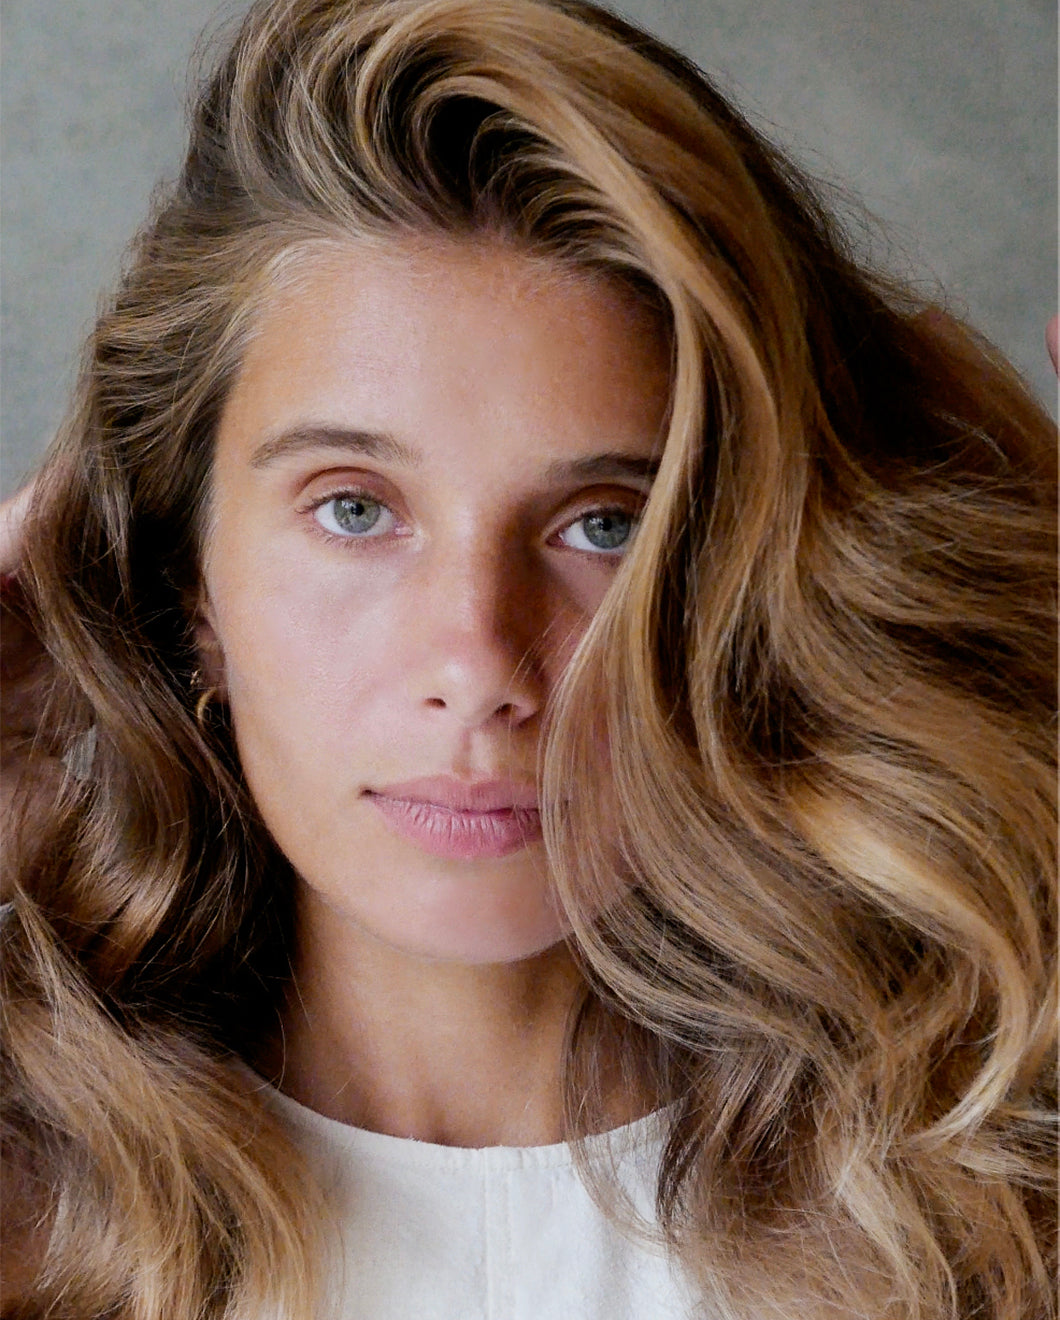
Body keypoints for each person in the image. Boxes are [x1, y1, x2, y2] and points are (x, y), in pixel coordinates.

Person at [1, 1, 1055, 1317]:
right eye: (354, 509)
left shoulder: (982, 1181)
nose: (480, 663)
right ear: (187, 584)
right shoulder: (34, 1204)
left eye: (602, 524)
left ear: (744, 580)